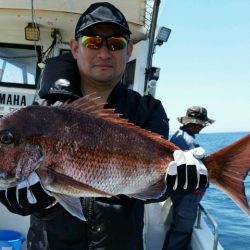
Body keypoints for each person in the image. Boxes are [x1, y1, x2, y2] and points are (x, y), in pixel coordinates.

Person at [0, 3, 208, 250]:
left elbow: (156, 188)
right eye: (93, 41)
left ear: (129, 50)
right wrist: (30, 202)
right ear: (75, 48)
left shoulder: (148, 110)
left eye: (116, 43)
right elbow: (43, 191)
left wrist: (175, 183)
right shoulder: (44, 109)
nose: (104, 51)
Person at [162, 106, 214, 250]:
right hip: (189, 193)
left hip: (178, 189)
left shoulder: (178, 135)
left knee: (176, 226)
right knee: (181, 230)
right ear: (194, 123)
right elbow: (196, 173)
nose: (202, 128)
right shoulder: (191, 143)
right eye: (202, 124)